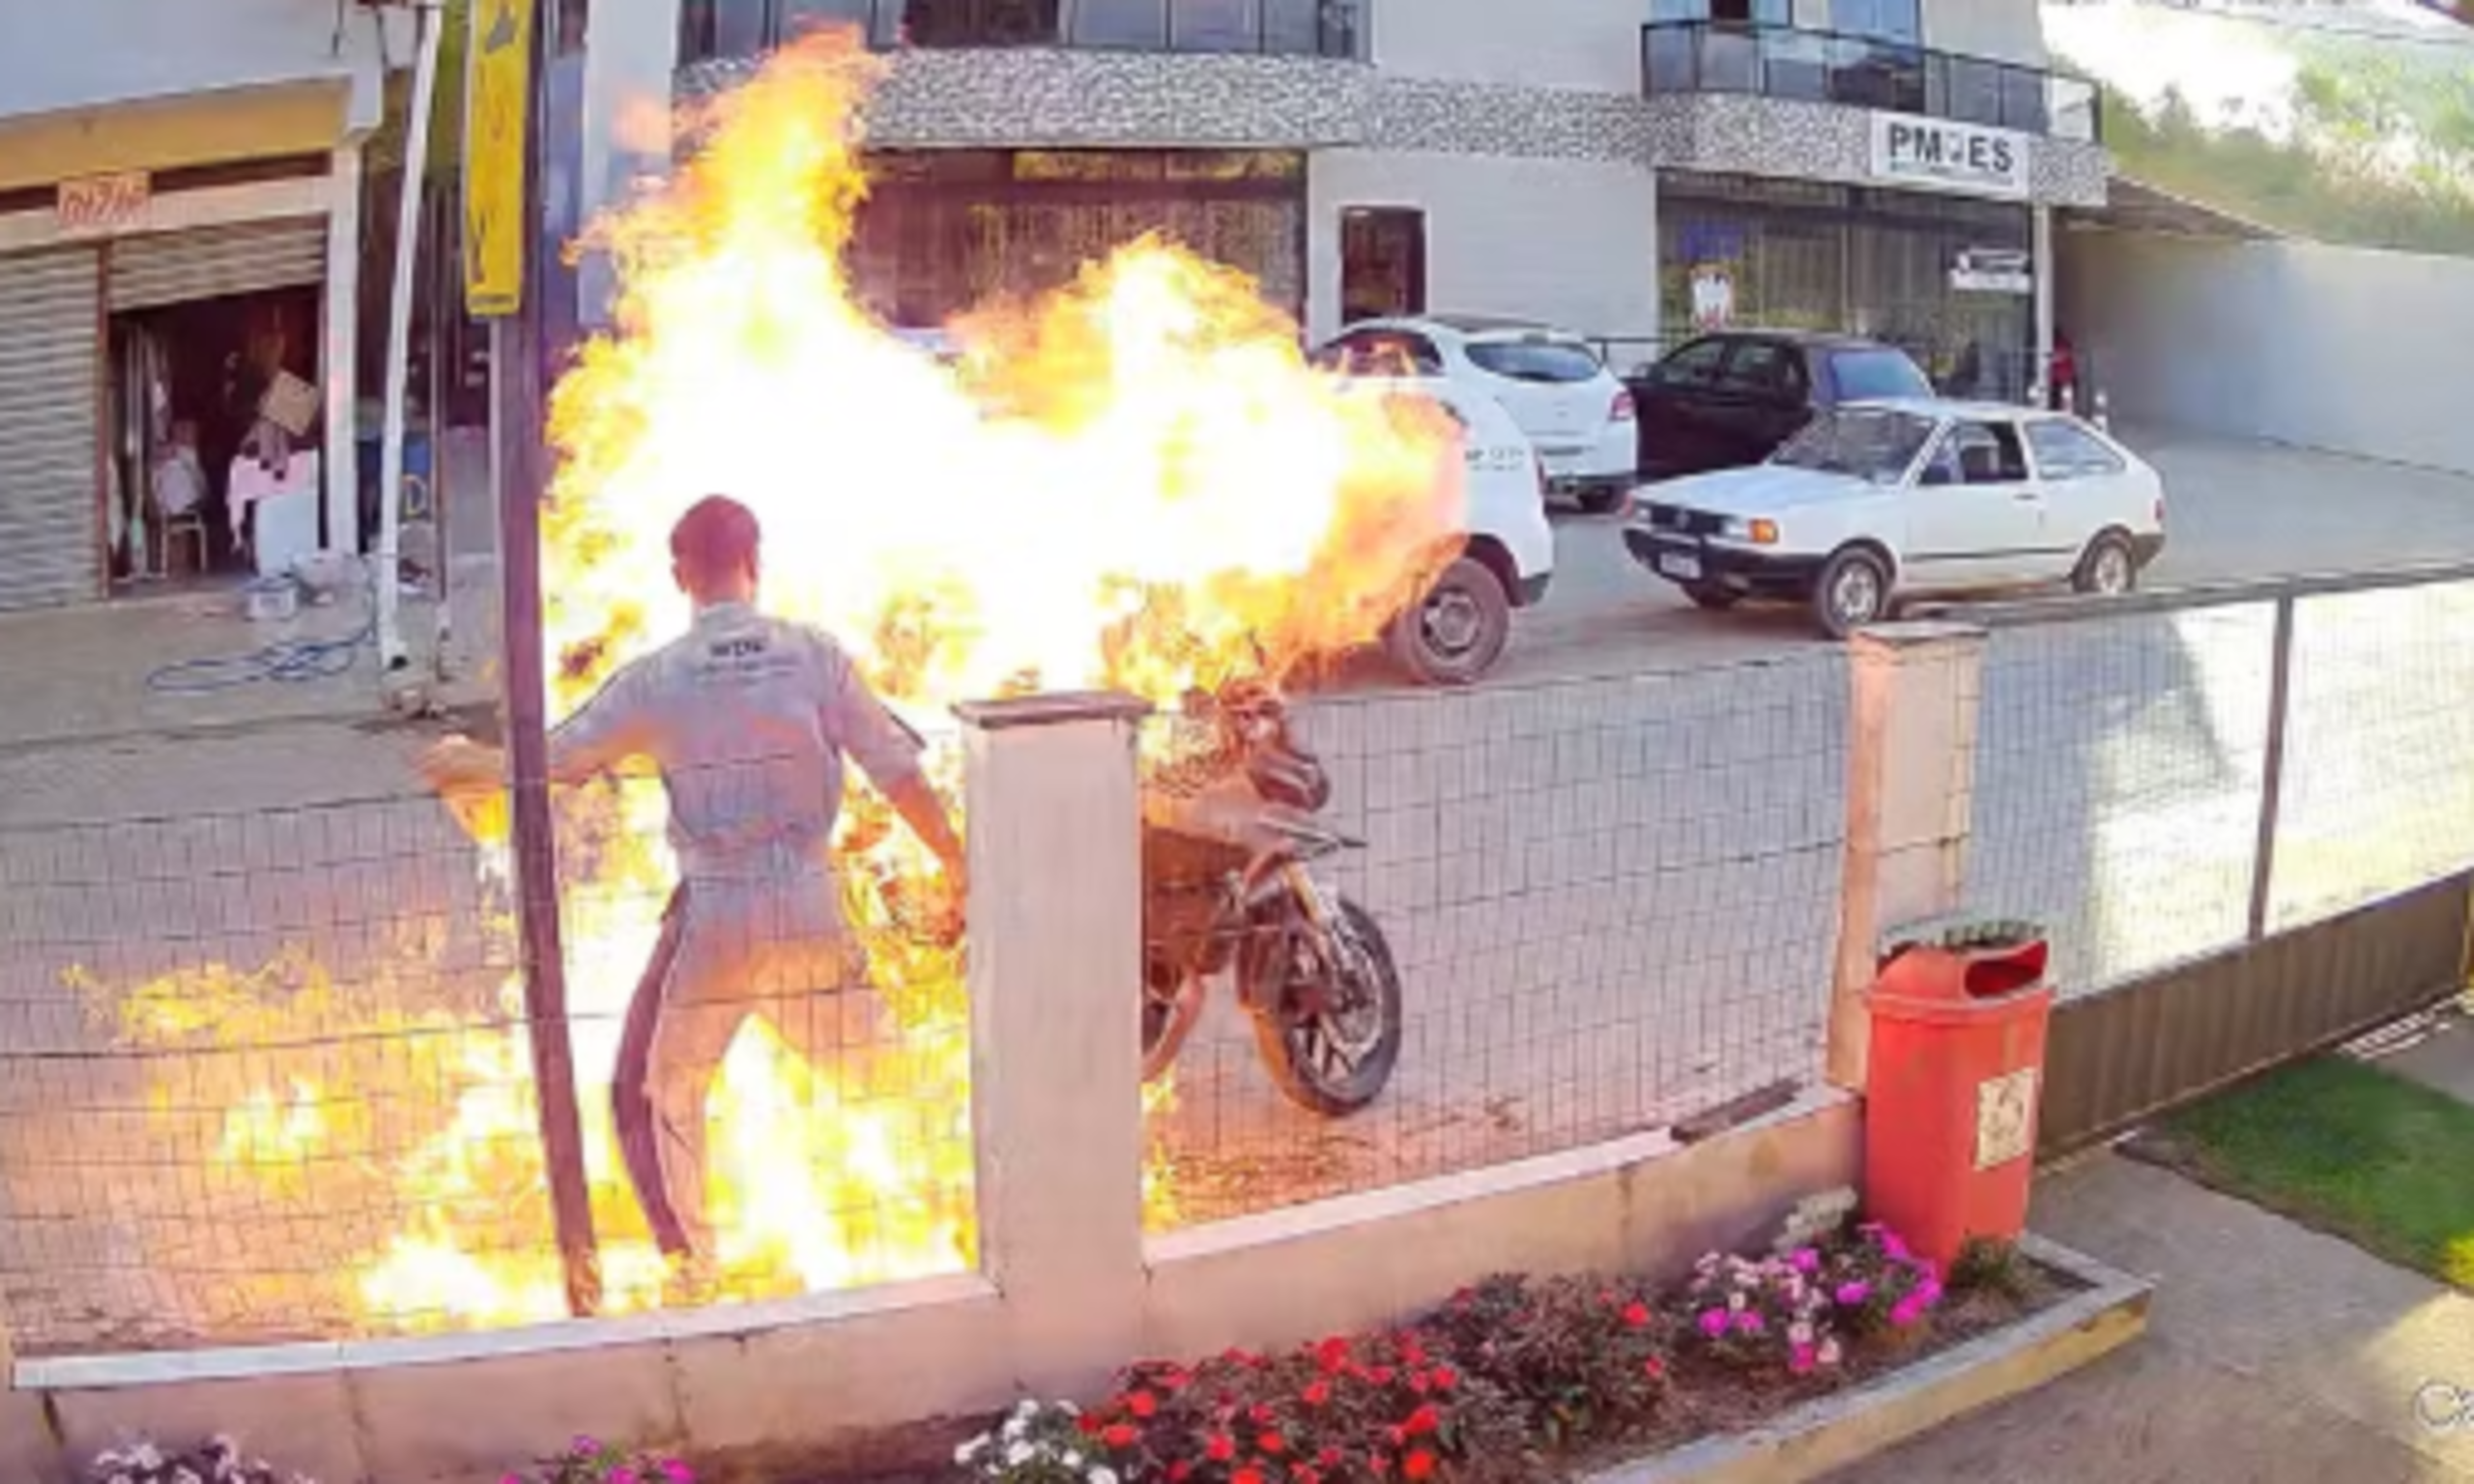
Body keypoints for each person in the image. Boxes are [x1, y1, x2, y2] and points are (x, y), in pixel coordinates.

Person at [417, 495, 965, 1285]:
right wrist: (956, 863)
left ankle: (694, 1270)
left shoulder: (658, 679)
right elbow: (897, 769)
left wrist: (467, 761)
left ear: (680, 576)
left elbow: (557, 760)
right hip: (812, 899)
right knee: (887, 1080)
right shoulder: (815, 656)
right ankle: (962, 1214)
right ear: (756, 562)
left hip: (717, 915)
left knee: (657, 1092)